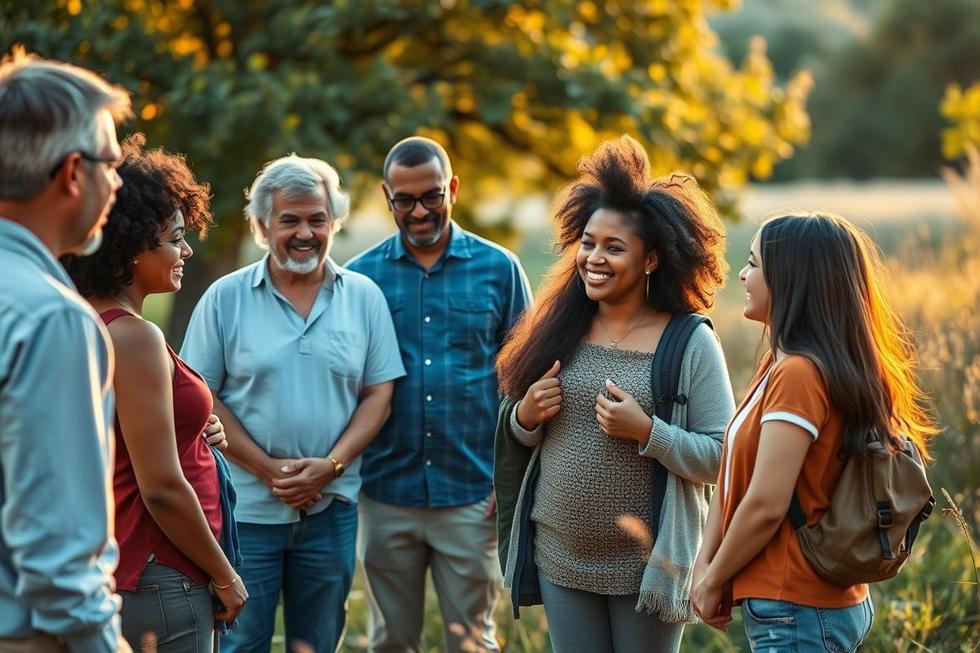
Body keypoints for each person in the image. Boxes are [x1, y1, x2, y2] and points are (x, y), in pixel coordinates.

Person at [494, 136, 735, 653]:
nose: (594, 258)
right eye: (588, 243)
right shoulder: (558, 327)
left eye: (614, 247)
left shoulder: (689, 342)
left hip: (648, 567)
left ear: (651, 259)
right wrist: (525, 418)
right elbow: (519, 425)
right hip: (559, 555)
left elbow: (724, 457)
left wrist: (648, 432)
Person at [180, 154, 406, 653]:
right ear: (263, 225)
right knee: (241, 644)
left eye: (317, 219)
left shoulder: (364, 298)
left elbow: (379, 395)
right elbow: (202, 396)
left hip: (331, 510)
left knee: (318, 644)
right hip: (244, 512)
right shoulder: (224, 298)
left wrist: (330, 467)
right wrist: (268, 471)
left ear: (334, 222)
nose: (305, 233)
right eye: (290, 220)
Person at [691, 212, 937, 651]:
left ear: (791, 280)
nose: (743, 275)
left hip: (797, 607)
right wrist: (704, 567)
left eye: (754, 264)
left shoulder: (799, 374)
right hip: (798, 604)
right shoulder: (780, 365)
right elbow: (732, 479)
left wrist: (714, 579)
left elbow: (766, 503)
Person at [61, 134, 248, 651]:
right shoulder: (134, 336)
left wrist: (192, 430)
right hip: (161, 572)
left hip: (123, 565)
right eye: (175, 239)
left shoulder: (83, 321)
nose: (186, 251)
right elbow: (161, 486)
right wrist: (225, 575)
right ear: (131, 246)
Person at [346, 136, 532, 652]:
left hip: (473, 493)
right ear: (387, 197)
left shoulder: (499, 268)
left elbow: (527, 379)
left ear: (453, 188)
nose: (419, 211)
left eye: (431, 196)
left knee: (472, 642)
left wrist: (510, 475)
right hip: (385, 492)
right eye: (404, 200)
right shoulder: (359, 278)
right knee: (390, 643)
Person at [0, 48, 132, 652]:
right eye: (112, 163)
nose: (118, 182)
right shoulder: (51, 318)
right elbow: (60, 564)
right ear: (74, 172)